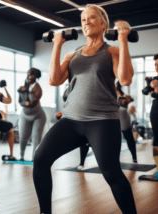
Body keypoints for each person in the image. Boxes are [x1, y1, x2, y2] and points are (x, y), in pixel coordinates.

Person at [33, 4, 137, 214]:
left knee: (111, 173)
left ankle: (135, 209)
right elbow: (53, 80)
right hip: (71, 120)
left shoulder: (112, 51)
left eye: (91, 18)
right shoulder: (73, 55)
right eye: (83, 20)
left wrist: (123, 40)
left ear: (103, 23)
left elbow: (125, 78)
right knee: (40, 159)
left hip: (102, 120)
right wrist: (57, 44)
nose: (86, 22)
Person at [17, 68, 46, 161]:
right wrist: (23, 91)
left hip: (38, 116)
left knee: (36, 138)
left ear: (36, 77)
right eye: (28, 74)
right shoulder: (22, 87)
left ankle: (35, 158)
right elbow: (20, 101)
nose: (30, 76)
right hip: (25, 115)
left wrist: (28, 91)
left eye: (32, 75)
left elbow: (34, 101)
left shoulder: (38, 88)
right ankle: (21, 155)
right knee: (22, 137)